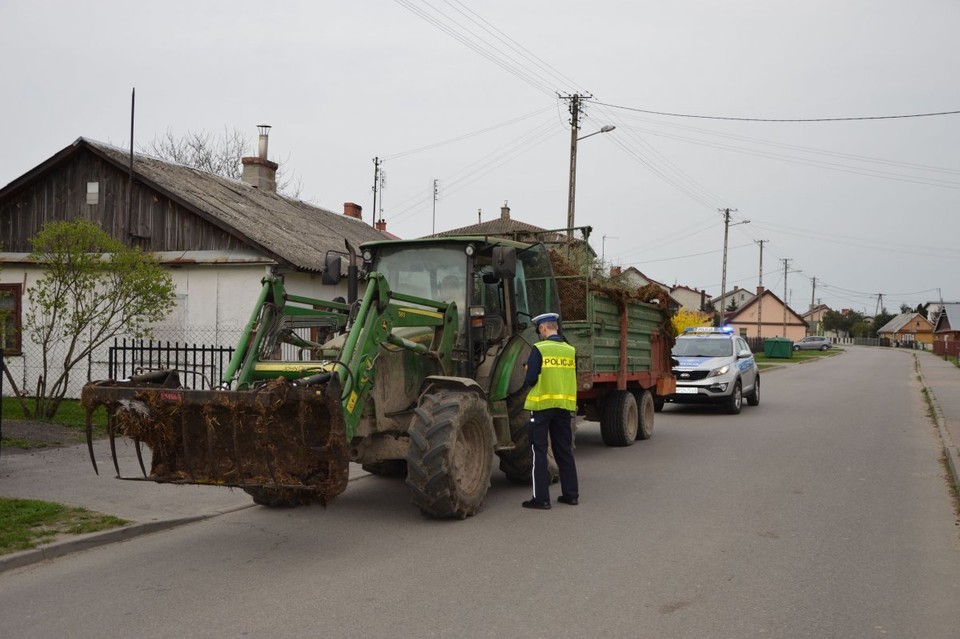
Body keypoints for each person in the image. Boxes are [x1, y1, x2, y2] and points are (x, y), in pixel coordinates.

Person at [521, 312, 579, 510]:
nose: (540, 332)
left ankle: (541, 499)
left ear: (543, 328)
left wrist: (528, 369)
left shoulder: (539, 348)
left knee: (539, 450)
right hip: (563, 407)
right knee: (564, 450)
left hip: (542, 406)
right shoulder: (570, 350)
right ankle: (571, 495)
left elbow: (530, 379)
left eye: (540, 329)